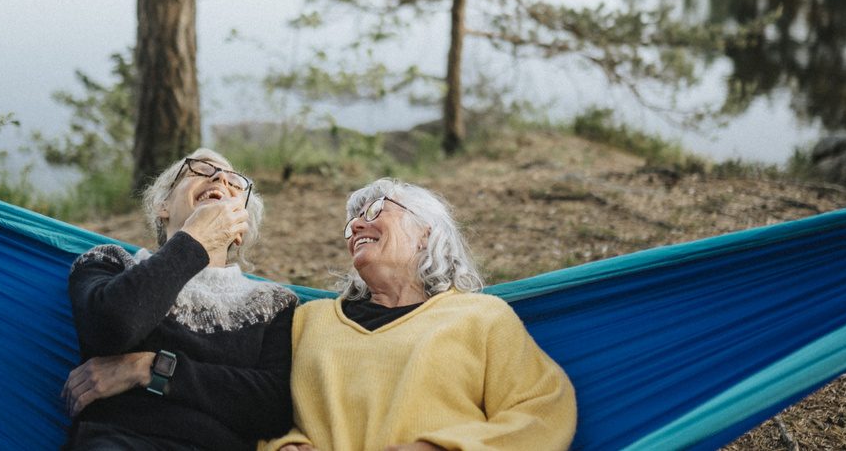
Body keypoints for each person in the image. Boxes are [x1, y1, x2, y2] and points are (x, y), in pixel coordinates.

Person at [266, 178, 576, 451]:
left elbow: (545, 408)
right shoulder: (308, 321)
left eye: (374, 211)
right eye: (352, 223)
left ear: (425, 233)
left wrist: (442, 449)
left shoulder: (481, 317)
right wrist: (284, 445)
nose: (357, 226)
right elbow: (253, 408)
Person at [62, 148, 297, 451]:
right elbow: (111, 327)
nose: (220, 177)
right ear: (163, 206)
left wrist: (150, 368)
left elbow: (274, 408)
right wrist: (196, 240)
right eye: (198, 170)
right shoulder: (109, 264)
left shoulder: (273, 304)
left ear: (241, 227)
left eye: (235, 183)